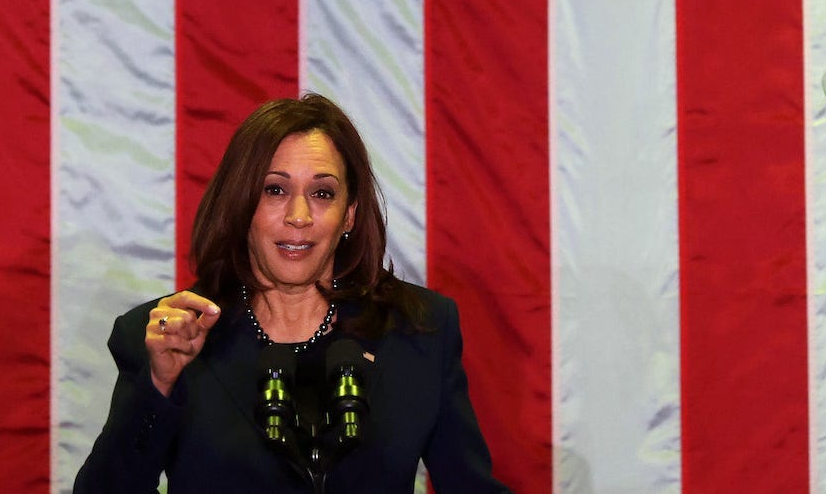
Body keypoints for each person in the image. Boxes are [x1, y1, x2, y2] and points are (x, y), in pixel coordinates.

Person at [73, 94, 510, 493]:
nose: (299, 216)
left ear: (350, 215)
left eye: (322, 193)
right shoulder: (167, 338)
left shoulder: (419, 331)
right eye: (275, 190)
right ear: (242, 204)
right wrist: (158, 385)